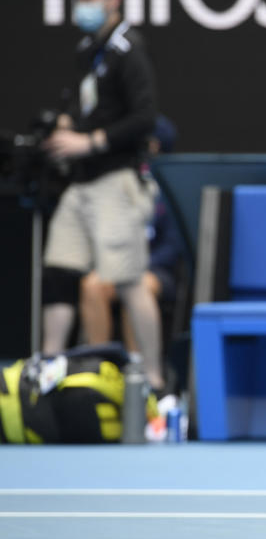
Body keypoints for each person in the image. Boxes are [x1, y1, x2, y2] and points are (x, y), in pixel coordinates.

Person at [40, 0, 165, 392]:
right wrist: (66, 123)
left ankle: (153, 380)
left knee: (128, 280)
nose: (83, 5)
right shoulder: (87, 50)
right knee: (58, 269)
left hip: (116, 182)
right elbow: (88, 105)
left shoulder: (130, 49)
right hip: (82, 184)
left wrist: (89, 141)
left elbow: (144, 118)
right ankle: (48, 371)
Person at [79, 117, 182, 369]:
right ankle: (98, 366)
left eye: (150, 143)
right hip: (119, 264)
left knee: (134, 285)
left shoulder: (171, 185)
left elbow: (173, 244)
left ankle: (140, 370)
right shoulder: (120, 180)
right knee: (92, 284)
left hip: (157, 271)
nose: (144, 149)